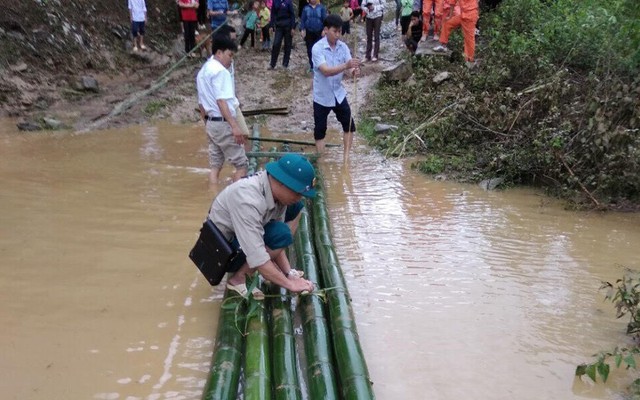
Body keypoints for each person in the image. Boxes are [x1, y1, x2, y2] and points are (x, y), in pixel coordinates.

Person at [209, 153, 317, 299]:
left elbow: (277, 235)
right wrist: (290, 285)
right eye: (297, 192)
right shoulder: (248, 199)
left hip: (241, 242)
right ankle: (238, 278)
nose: (299, 197)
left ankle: (269, 271)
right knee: (281, 233)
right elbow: (257, 255)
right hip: (221, 255)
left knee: (291, 215)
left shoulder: (275, 193)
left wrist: (288, 273)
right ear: (281, 182)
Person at [196, 36, 249, 184]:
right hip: (222, 122)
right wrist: (234, 126)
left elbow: (201, 103)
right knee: (241, 164)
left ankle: (212, 196)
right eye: (229, 55)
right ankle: (237, 200)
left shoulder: (203, 71)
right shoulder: (221, 72)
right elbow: (221, 100)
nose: (231, 60)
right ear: (219, 53)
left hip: (211, 123)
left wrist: (206, 123)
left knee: (215, 165)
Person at [311, 14, 361, 161]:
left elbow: (349, 67)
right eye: (335, 31)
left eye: (340, 31)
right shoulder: (317, 48)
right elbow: (325, 71)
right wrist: (347, 65)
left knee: (349, 125)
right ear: (326, 30)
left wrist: (354, 71)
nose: (338, 35)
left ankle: (346, 159)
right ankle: (321, 160)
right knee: (320, 130)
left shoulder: (343, 47)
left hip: (338, 93)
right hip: (322, 96)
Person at [433, 0, 478, 67]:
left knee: (469, 39)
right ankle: (443, 45)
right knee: (447, 23)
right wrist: (450, 16)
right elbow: (452, 2)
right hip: (462, 15)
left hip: (470, 16)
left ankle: (469, 60)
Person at [299, 0, 327, 71]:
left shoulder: (321, 8)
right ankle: (312, 66)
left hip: (319, 32)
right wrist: (302, 29)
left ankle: (320, 66)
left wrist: (324, 30)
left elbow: (325, 20)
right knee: (309, 50)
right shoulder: (305, 8)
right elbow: (302, 20)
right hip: (309, 32)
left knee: (319, 50)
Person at [269, 0, 296, 70]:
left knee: (288, 45)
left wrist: (293, 27)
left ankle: (285, 64)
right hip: (279, 26)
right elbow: (272, 14)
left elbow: (292, 15)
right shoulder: (275, 1)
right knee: (276, 44)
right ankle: (272, 64)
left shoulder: (288, 2)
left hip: (288, 26)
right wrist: (271, 25)